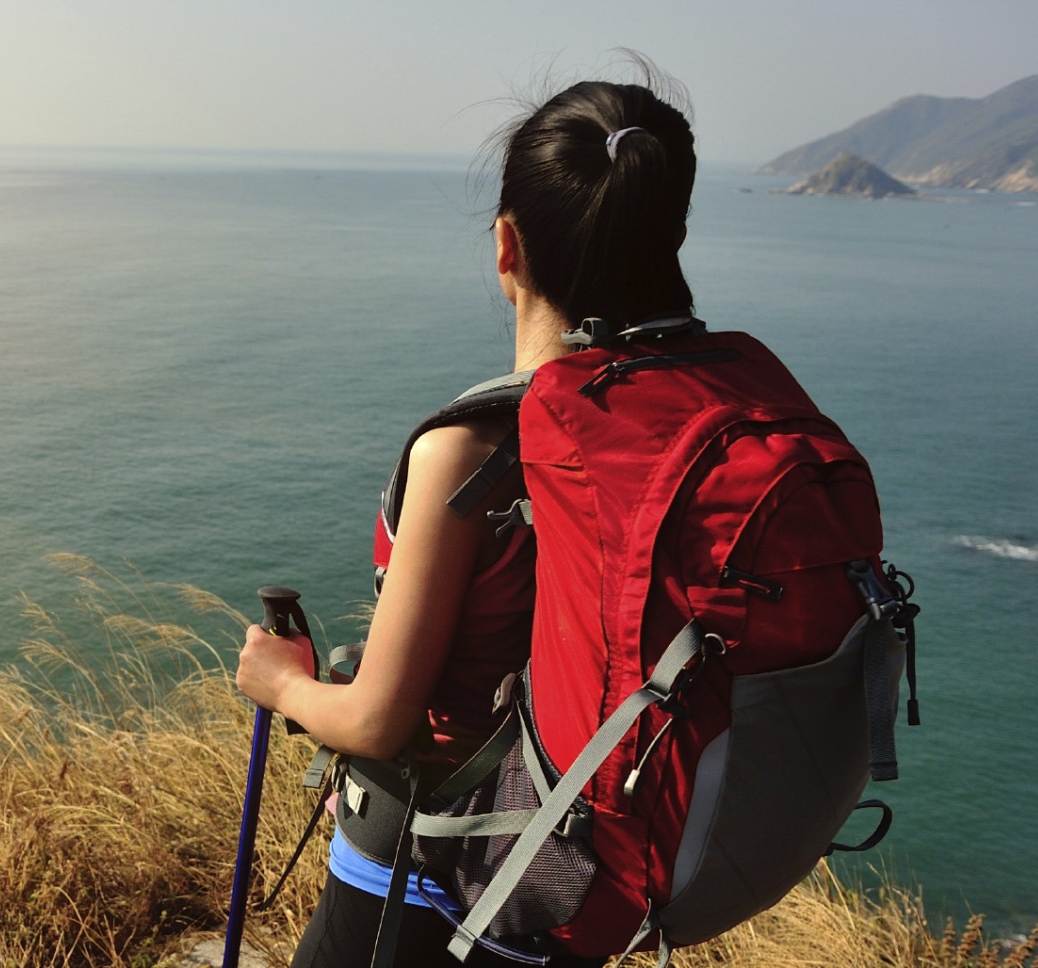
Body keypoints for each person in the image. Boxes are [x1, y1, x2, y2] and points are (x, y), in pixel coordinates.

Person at [233, 74, 700, 968]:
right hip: (574, 878)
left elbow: (376, 721)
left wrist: (280, 685)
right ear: (669, 236)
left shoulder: (471, 452)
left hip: (429, 875)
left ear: (505, 246)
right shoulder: (678, 430)